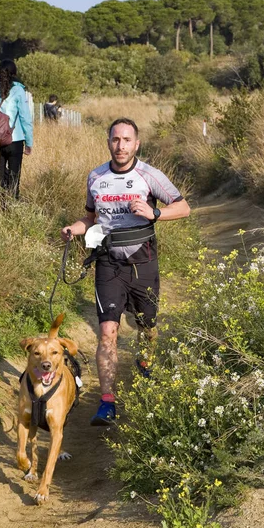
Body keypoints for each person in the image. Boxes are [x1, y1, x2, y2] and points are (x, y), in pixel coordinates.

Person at [61, 118, 190, 426]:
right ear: (108, 142)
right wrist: (74, 229)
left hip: (143, 262)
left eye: (127, 140)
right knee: (107, 332)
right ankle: (107, 403)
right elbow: (91, 217)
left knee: (147, 325)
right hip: (108, 263)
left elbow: (183, 207)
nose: (121, 145)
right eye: (115, 139)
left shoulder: (149, 175)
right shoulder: (96, 176)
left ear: (136, 144)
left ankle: (145, 360)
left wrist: (155, 212)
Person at [0, 59, 33, 200]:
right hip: (15, 139)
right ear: (14, 73)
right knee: (15, 174)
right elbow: (25, 118)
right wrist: (29, 142)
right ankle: (13, 201)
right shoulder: (18, 90)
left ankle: (1, 204)